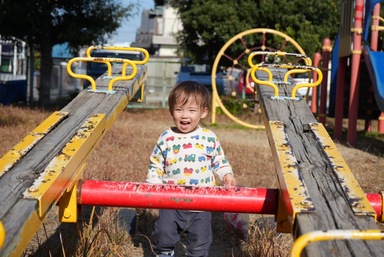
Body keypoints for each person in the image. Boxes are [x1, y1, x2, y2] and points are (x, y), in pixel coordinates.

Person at [146, 80, 236, 257]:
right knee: (164, 234)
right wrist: (154, 186)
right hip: (170, 201)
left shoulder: (208, 138)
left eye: (191, 110)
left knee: (200, 242)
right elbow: (156, 164)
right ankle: (164, 253)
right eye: (179, 109)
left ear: (203, 112)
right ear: (172, 110)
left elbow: (219, 160)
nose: (184, 115)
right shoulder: (166, 137)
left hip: (202, 202)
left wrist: (226, 174)